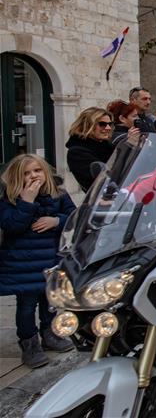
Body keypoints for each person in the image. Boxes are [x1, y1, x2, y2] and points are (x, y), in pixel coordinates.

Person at [0, 154, 76, 368]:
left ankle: (50, 333)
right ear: (17, 177)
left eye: (37, 170)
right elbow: (11, 225)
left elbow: (75, 217)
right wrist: (27, 201)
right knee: (26, 306)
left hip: (50, 259)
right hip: (22, 263)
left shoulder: (58, 194)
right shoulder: (10, 198)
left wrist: (56, 220)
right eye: (26, 173)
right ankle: (29, 343)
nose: (33, 176)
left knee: (50, 302)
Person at [65, 108, 116, 192]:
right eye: (102, 124)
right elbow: (97, 181)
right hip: (101, 199)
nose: (108, 128)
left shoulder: (107, 145)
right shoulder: (77, 152)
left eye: (110, 124)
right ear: (88, 125)